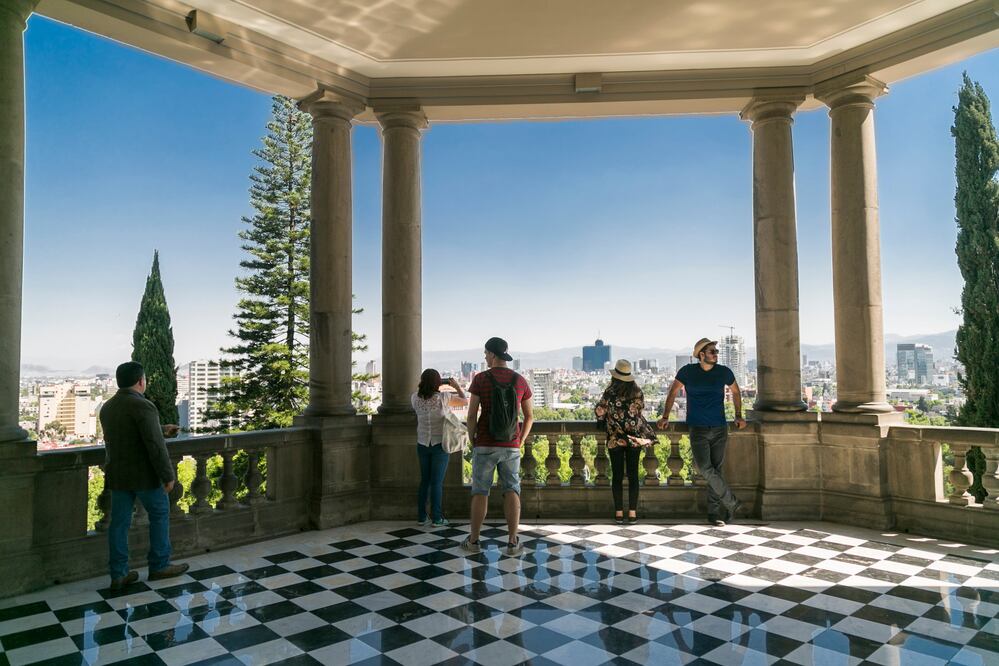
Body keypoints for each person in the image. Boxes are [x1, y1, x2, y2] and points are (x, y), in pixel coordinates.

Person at [99, 361, 189, 589]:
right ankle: (159, 565)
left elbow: (127, 433)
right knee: (159, 513)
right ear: (141, 381)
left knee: (118, 523)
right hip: (143, 476)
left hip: (118, 475)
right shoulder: (144, 406)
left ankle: (118, 574)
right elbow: (154, 446)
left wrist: (160, 428)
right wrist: (168, 475)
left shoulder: (108, 407)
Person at [658, 338, 746, 526]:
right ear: (701, 354)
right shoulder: (687, 372)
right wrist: (665, 416)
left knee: (716, 470)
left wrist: (738, 415)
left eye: (716, 351)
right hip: (697, 428)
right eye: (712, 351)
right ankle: (731, 503)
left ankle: (715, 514)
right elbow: (673, 392)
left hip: (719, 428)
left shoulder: (724, 372)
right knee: (706, 468)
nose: (716, 354)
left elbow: (736, 392)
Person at [461, 337, 534, 556]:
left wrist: (473, 439)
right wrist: (519, 441)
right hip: (510, 444)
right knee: (512, 489)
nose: (484, 356)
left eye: (485, 353)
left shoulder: (481, 379)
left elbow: (472, 414)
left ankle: (474, 541)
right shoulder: (519, 380)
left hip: (485, 443)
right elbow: (529, 416)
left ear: (492, 354)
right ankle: (512, 542)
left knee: (480, 491)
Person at [595, 360, 657, 525]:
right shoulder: (637, 392)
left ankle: (618, 513)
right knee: (633, 476)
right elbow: (639, 412)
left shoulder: (610, 392)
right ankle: (632, 513)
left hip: (615, 439)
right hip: (634, 439)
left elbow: (601, 410)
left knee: (616, 476)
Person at [412, 368, 466, 527]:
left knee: (424, 481)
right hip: (439, 445)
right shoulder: (444, 398)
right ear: (438, 383)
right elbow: (465, 401)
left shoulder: (414, 398)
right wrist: (456, 386)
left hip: (422, 444)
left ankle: (422, 516)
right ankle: (437, 517)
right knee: (436, 482)